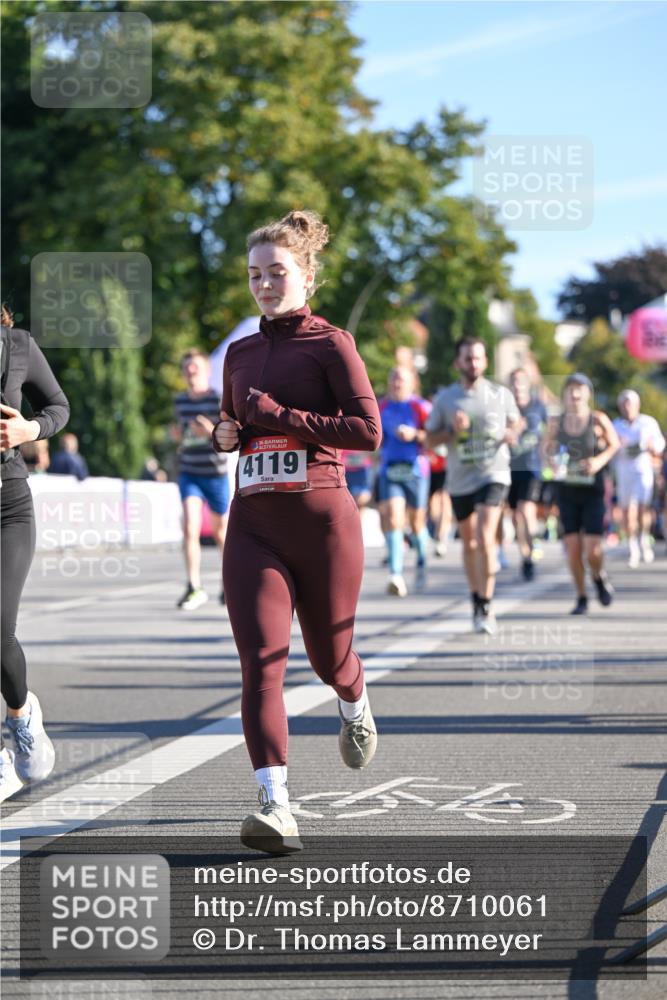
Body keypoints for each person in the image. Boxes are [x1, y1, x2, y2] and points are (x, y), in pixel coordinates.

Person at [212, 210, 381, 855]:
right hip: (254, 523)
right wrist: (228, 432)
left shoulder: (332, 344)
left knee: (327, 659)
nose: (263, 285)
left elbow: (367, 434)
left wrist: (279, 414)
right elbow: (234, 425)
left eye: (276, 273)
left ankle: (354, 696)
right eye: (255, 275)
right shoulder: (240, 353)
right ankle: (275, 803)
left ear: (306, 277)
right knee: (261, 663)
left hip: (323, 523)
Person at [1, 307, 70, 801]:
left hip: (7, 506)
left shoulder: (16, 345)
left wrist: (30, 430)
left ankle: (22, 715)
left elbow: (59, 408)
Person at [425, 336, 520, 635]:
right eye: (468, 358)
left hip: (494, 472)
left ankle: (487, 603)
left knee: (485, 535)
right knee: (470, 543)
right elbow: (429, 439)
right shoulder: (446, 399)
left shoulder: (499, 394)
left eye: (478, 358)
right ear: (458, 363)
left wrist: (510, 433)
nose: (473, 363)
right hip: (460, 479)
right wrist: (453, 429)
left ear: (486, 362)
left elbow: (518, 423)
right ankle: (477, 599)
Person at [543, 372, 619, 615]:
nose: (575, 394)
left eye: (580, 389)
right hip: (566, 490)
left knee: (593, 550)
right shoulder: (557, 422)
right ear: (565, 394)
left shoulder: (598, 420)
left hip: (593, 490)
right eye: (571, 390)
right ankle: (581, 596)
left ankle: (598, 576)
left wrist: (598, 461)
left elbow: (615, 445)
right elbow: (545, 448)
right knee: (573, 548)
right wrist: (551, 463)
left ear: (588, 393)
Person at [172, 349, 229, 609]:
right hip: (190, 471)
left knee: (221, 533)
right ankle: (194, 586)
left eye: (194, 367)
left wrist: (211, 432)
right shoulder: (180, 401)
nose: (190, 371)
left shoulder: (219, 400)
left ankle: (230, 583)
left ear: (206, 370)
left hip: (215, 473)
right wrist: (179, 437)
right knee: (189, 528)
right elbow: (182, 434)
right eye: (186, 368)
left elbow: (228, 439)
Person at [377, 366, 431, 596]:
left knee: (417, 523)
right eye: (394, 379)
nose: (397, 384)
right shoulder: (382, 407)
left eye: (402, 380)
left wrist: (415, 435)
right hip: (390, 468)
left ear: (412, 383)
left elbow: (435, 435)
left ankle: (421, 557)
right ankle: (396, 574)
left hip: (416, 470)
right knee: (394, 517)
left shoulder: (421, 407)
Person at [612, 389, 665, 567]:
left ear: (637, 405)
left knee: (643, 509)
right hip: (623, 472)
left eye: (630, 403)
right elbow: (609, 446)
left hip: (643, 471)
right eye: (624, 404)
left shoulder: (648, 423)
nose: (627, 407)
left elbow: (659, 444)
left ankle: (643, 539)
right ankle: (632, 546)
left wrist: (652, 446)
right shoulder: (616, 425)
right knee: (628, 511)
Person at [507, 368, 548, 580]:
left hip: (532, 466)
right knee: (515, 516)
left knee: (526, 509)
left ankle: (534, 544)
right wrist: (512, 431)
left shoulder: (538, 406)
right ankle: (526, 557)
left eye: (521, 381)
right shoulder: (504, 407)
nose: (517, 385)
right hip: (509, 467)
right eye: (513, 381)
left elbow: (548, 433)